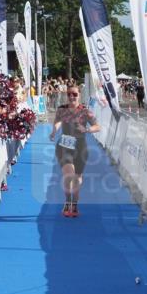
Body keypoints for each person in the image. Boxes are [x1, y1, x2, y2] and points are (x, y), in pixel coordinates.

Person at [49, 85, 100, 217]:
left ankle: (75, 204)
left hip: (80, 147)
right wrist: (54, 130)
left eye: (75, 94)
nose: (72, 96)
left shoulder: (85, 111)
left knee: (77, 178)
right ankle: (67, 201)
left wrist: (87, 129)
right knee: (68, 175)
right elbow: (57, 121)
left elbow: (97, 126)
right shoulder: (62, 109)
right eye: (69, 94)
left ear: (79, 95)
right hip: (64, 145)